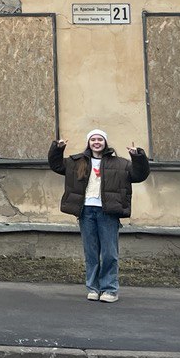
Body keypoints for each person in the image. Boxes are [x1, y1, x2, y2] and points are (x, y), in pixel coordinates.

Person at [48, 129, 149, 303]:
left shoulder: (120, 163)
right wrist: (57, 149)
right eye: (93, 139)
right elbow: (56, 165)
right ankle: (93, 288)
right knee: (91, 253)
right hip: (86, 211)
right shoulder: (76, 162)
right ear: (89, 142)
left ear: (105, 142)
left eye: (100, 139)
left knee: (109, 253)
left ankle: (110, 289)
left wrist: (138, 157)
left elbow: (139, 175)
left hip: (108, 212)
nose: (96, 142)